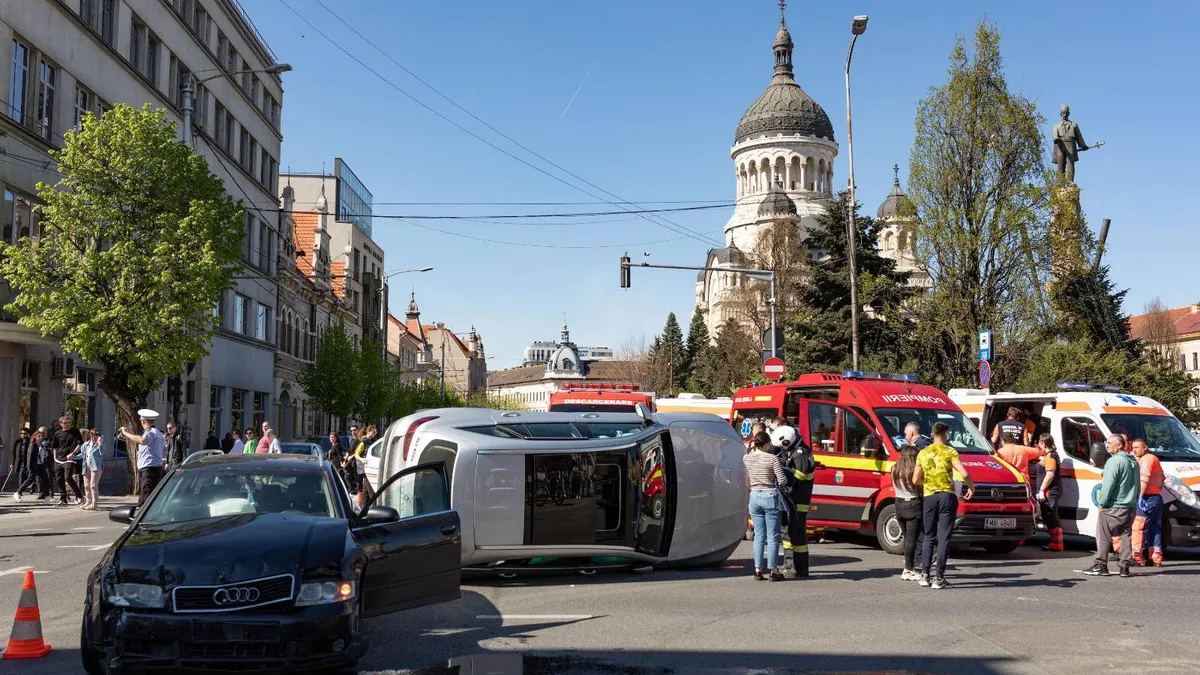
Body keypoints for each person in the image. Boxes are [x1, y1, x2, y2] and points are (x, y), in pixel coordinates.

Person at [913, 422, 976, 589]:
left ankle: (924, 574)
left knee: (928, 535)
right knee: (944, 536)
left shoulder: (923, 453)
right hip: (947, 495)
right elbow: (964, 473)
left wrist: (926, 483)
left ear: (932, 434)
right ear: (946, 433)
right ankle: (939, 576)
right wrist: (971, 487)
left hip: (929, 496)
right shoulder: (950, 452)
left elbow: (915, 479)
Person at [1084, 434, 1140, 578]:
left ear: (1119, 445)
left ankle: (1101, 564)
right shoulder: (1133, 461)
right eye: (1106, 442)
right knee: (1125, 534)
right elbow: (1137, 485)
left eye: (1109, 443)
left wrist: (1102, 503)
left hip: (1114, 505)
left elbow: (1108, 484)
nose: (1107, 445)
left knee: (1103, 535)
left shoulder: (1114, 461)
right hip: (1130, 505)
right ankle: (1124, 566)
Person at [744, 430, 788, 581]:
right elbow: (782, 480)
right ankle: (773, 570)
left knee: (759, 535)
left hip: (754, 495)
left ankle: (757, 569)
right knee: (773, 536)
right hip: (769, 495)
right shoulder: (772, 459)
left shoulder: (747, 458)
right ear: (767, 444)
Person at [772, 424, 814, 578]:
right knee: (787, 535)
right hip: (792, 501)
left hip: (798, 502)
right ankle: (790, 566)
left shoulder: (800, 453)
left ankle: (799, 569)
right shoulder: (793, 451)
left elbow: (799, 477)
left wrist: (783, 470)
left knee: (796, 536)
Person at [891, 443, 924, 580]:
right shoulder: (914, 471)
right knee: (912, 540)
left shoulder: (895, 469)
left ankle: (909, 566)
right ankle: (908, 569)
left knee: (906, 539)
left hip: (898, 503)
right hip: (913, 504)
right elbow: (920, 488)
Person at [120, 409, 166, 507]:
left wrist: (125, 433)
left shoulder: (151, 432)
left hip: (149, 469)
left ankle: (143, 518)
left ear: (143, 421)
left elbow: (143, 441)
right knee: (147, 496)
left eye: (141, 421)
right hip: (152, 468)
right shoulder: (158, 433)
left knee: (146, 496)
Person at [1131, 438, 1165, 567]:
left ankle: (1136, 557)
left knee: (1138, 527)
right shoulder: (1154, 459)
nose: (1133, 450)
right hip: (1155, 498)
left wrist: (1140, 495)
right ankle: (1155, 557)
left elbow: (1145, 478)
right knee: (1154, 528)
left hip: (1147, 498)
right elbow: (1162, 478)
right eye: (1133, 447)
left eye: (1136, 447)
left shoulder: (1146, 459)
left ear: (1145, 448)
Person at [1035, 433, 1065, 553]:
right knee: (1048, 515)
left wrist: (1042, 490)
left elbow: (1050, 474)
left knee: (1050, 515)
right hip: (1049, 490)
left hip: (1049, 491)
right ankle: (1055, 543)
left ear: (1043, 443)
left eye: (1040, 443)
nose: (1038, 445)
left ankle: (1056, 544)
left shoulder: (1051, 456)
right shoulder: (1049, 455)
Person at [51, 415, 85, 506]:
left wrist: (73, 453)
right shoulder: (57, 433)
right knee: (59, 479)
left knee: (68, 477)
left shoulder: (75, 431)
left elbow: (80, 444)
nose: (65, 424)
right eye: (63, 423)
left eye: (67, 422)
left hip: (69, 458)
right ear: (60, 423)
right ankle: (63, 499)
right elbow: (55, 446)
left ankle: (79, 496)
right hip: (58, 459)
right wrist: (54, 457)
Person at [11, 428, 43, 501]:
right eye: (22, 433)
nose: (23, 435)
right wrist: (13, 462)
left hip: (30, 462)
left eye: (25, 433)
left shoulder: (31, 442)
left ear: (28, 434)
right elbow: (14, 452)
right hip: (24, 462)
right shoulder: (19, 442)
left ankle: (43, 493)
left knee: (36, 478)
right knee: (23, 476)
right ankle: (19, 492)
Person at [81, 429, 104, 510]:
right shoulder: (86, 444)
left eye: (98, 434)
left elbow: (102, 453)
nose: (96, 436)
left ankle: (94, 504)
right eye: (94, 434)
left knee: (93, 485)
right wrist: (73, 455)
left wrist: (100, 444)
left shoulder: (100, 444)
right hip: (86, 466)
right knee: (87, 485)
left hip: (96, 467)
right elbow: (83, 454)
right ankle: (88, 502)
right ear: (90, 435)